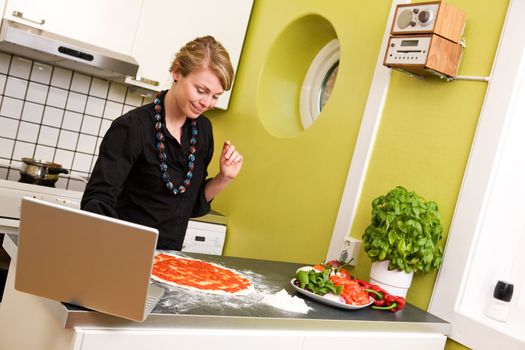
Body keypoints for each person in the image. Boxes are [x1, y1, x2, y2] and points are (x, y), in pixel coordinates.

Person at [81, 36, 243, 250]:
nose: (206, 103)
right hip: (119, 253)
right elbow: (96, 201)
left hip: (169, 262)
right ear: (177, 72)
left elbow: (189, 205)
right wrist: (119, 252)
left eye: (216, 96)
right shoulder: (131, 127)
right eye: (201, 90)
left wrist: (224, 178)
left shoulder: (203, 131)